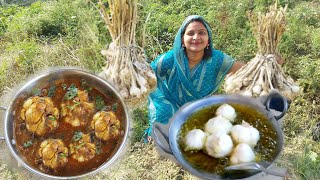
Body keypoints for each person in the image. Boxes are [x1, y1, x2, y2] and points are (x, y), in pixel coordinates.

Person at [144, 15, 243, 142]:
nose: (196, 37)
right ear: (182, 39)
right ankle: (156, 133)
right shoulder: (171, 58)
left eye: (202, 33)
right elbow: (148, 74)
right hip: (171, 102)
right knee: (165, 112)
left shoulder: (217, 59)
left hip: (200, 105)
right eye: (190, 33)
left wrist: (265, 62)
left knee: (216, 125)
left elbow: (242, 69)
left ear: (208, 39)